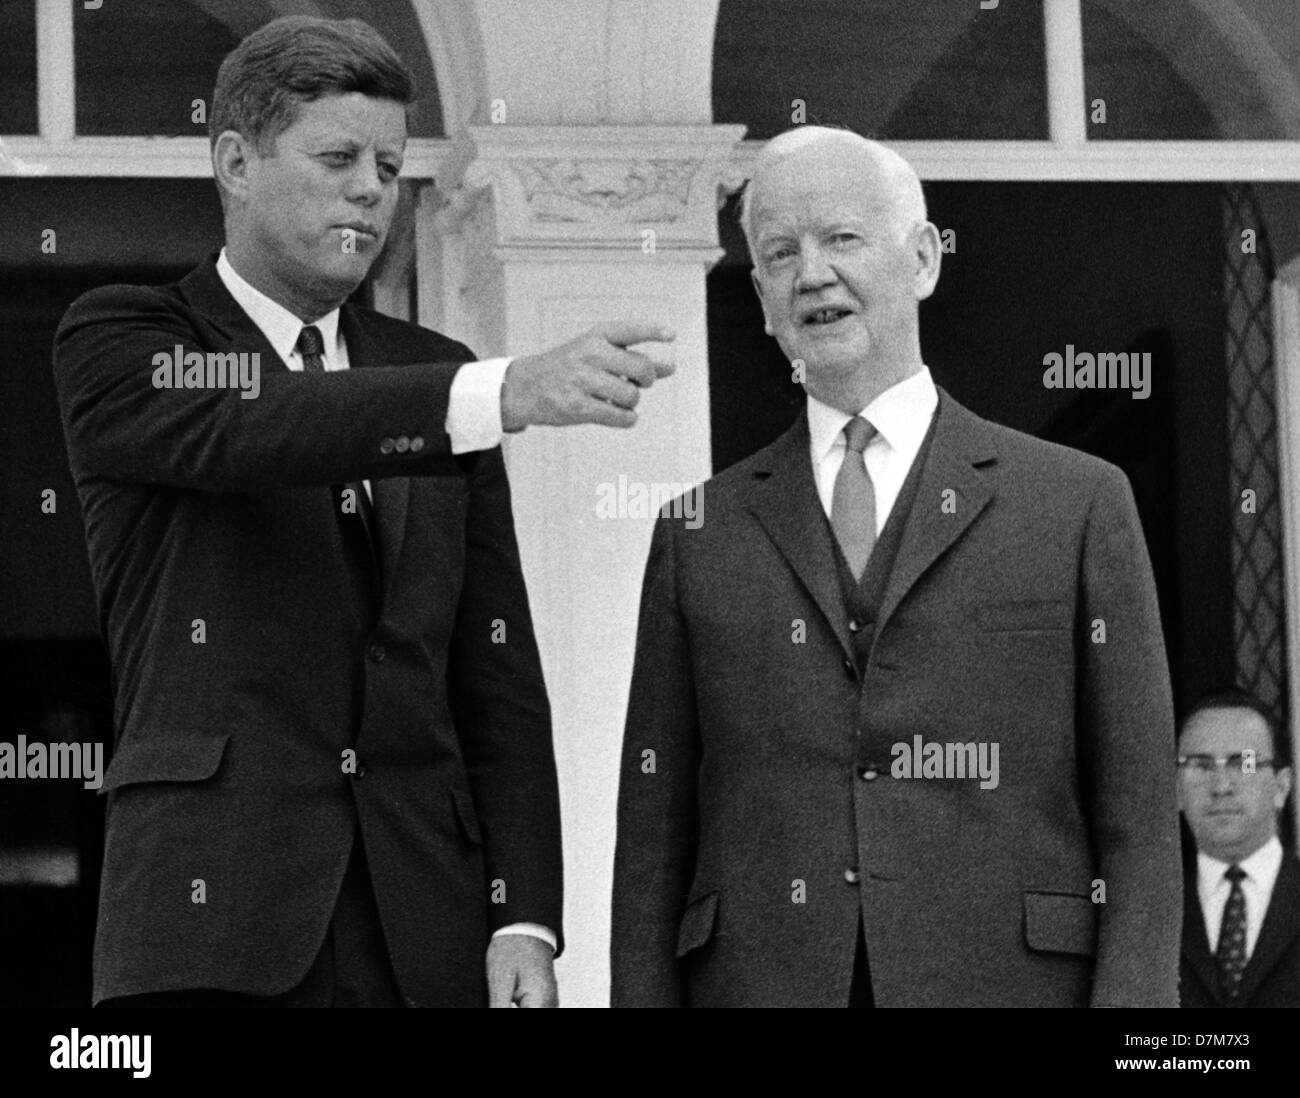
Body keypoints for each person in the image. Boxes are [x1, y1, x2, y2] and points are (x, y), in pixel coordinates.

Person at [53, 15, 673, 1008]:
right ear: (235, 162)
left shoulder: (437, 371)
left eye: (389, 165)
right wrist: (499, 397)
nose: (371, 190)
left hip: (422, 924)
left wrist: (523, 917)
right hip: (210, 926)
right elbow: (262, 426)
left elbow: (494, 674)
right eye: (338, 157)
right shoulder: (126, 340)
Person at [610, 126, 1180, 1007]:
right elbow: (653, 844)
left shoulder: (1078, 504)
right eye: (780, 253)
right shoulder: (698, 531)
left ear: (922, 259)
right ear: (760, 298)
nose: (812, 273)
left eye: (842, 238)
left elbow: (1138, 823)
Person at [1177, 690, 1298, 1007]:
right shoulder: (1151, 911)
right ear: (1176, 789)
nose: (1220, 787)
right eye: (1200, 766)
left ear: (1282, 786)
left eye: (1242, 763)